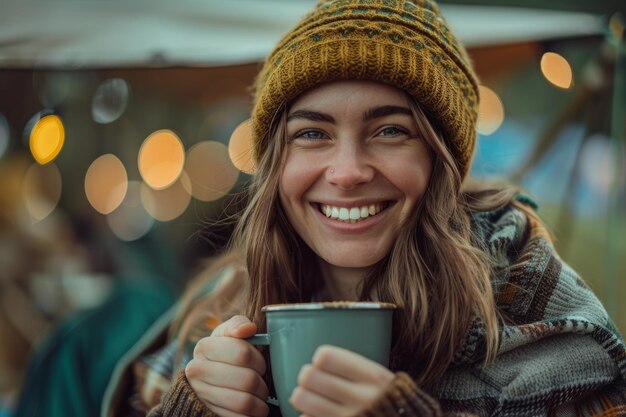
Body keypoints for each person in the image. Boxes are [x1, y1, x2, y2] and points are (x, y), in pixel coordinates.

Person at [103, 0, 626, 416]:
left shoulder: (531, 303)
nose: (348, 171)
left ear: (440, 160)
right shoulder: (228, 303)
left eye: (391, 130)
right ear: (274, 167)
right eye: (311, 133)